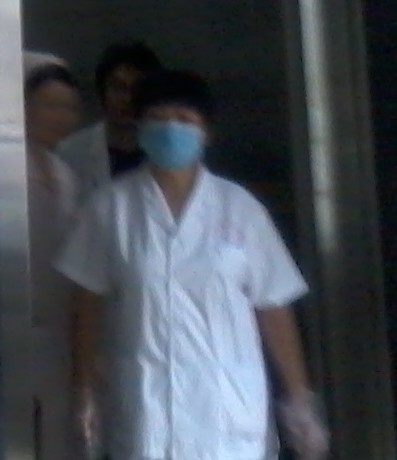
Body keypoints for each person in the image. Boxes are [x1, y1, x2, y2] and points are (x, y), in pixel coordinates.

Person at [55, 70, 329, 460]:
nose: (171, 129)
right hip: (146, 407)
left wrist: (299, 399)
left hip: (226, 409)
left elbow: (273, 306)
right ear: (139, 128)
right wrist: (84, 389)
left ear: (206, 133)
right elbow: (87, 305)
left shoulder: (240, 209)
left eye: (184, 119)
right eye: (158, 118)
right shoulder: (110, 208)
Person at [24, 52, 86, 460]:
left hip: (59, 334)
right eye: (50, 105)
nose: (62, 117)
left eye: (70, 108)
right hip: (16, 326)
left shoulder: (66, 175)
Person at [55, 41, 162, 199]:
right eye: (118, 87)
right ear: (102, 92)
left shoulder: (166, 150)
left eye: (137, 89)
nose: (127, 98)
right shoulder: (70, 152)